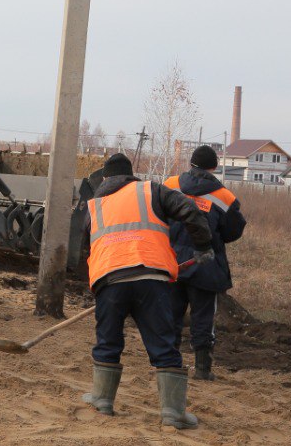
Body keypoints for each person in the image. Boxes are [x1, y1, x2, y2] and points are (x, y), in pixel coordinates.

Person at [78, 153, 214, 429]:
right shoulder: (150, 190)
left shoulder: (94, 206)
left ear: (105, 179)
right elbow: (190, 211)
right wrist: (202, 245)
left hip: (109, 279)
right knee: (164, 344)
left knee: (108, 341)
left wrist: (98, 287)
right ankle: (173, 414)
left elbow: (84, 250)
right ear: (131, 175)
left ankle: (103, 401)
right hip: (151, 278)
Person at [165, 145, 247, 381]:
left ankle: (168, 364)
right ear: (215, 167)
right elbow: (233, 231)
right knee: (203, 318)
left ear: (190, 163)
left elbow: (157, 215)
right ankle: (202, 369)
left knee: (170, 314)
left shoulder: (169, 184)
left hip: (171, 261)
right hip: (204, 264)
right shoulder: (224, 196)